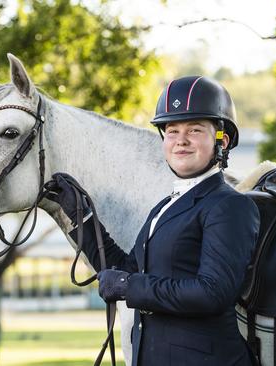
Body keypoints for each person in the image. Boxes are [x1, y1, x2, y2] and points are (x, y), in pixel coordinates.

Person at [46, 76, 260, 366]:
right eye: (172, 131)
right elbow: (121, 271)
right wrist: (81, 215)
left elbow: (213, 293)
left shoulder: (230, 205)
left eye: (194, 130)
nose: (181, 140)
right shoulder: (164, 207)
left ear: (222, 140)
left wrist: (130, 287)